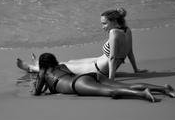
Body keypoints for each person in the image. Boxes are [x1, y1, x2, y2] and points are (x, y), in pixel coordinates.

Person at [17, 8, 147, 80]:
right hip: (99, 61)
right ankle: (38, 65)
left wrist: (111, 79)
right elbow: (129, 51)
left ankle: (32, 68)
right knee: (70, 61)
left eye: (104, 23)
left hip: (99, 69)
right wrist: (136, 70)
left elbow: (112, 58)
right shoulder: (127, 30)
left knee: (62, 67)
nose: (102, 27)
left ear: (114, 21)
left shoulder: (114, 32)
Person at [22, 53, 175, 102]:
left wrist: (35, 86)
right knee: (119, 86)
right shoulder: (61, 66)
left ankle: (143, 94)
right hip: (89, 76)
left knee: (112, 92)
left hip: (78, 84)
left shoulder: (43, 72)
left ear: (42, 65)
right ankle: (164, 88)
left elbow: (37, 93)